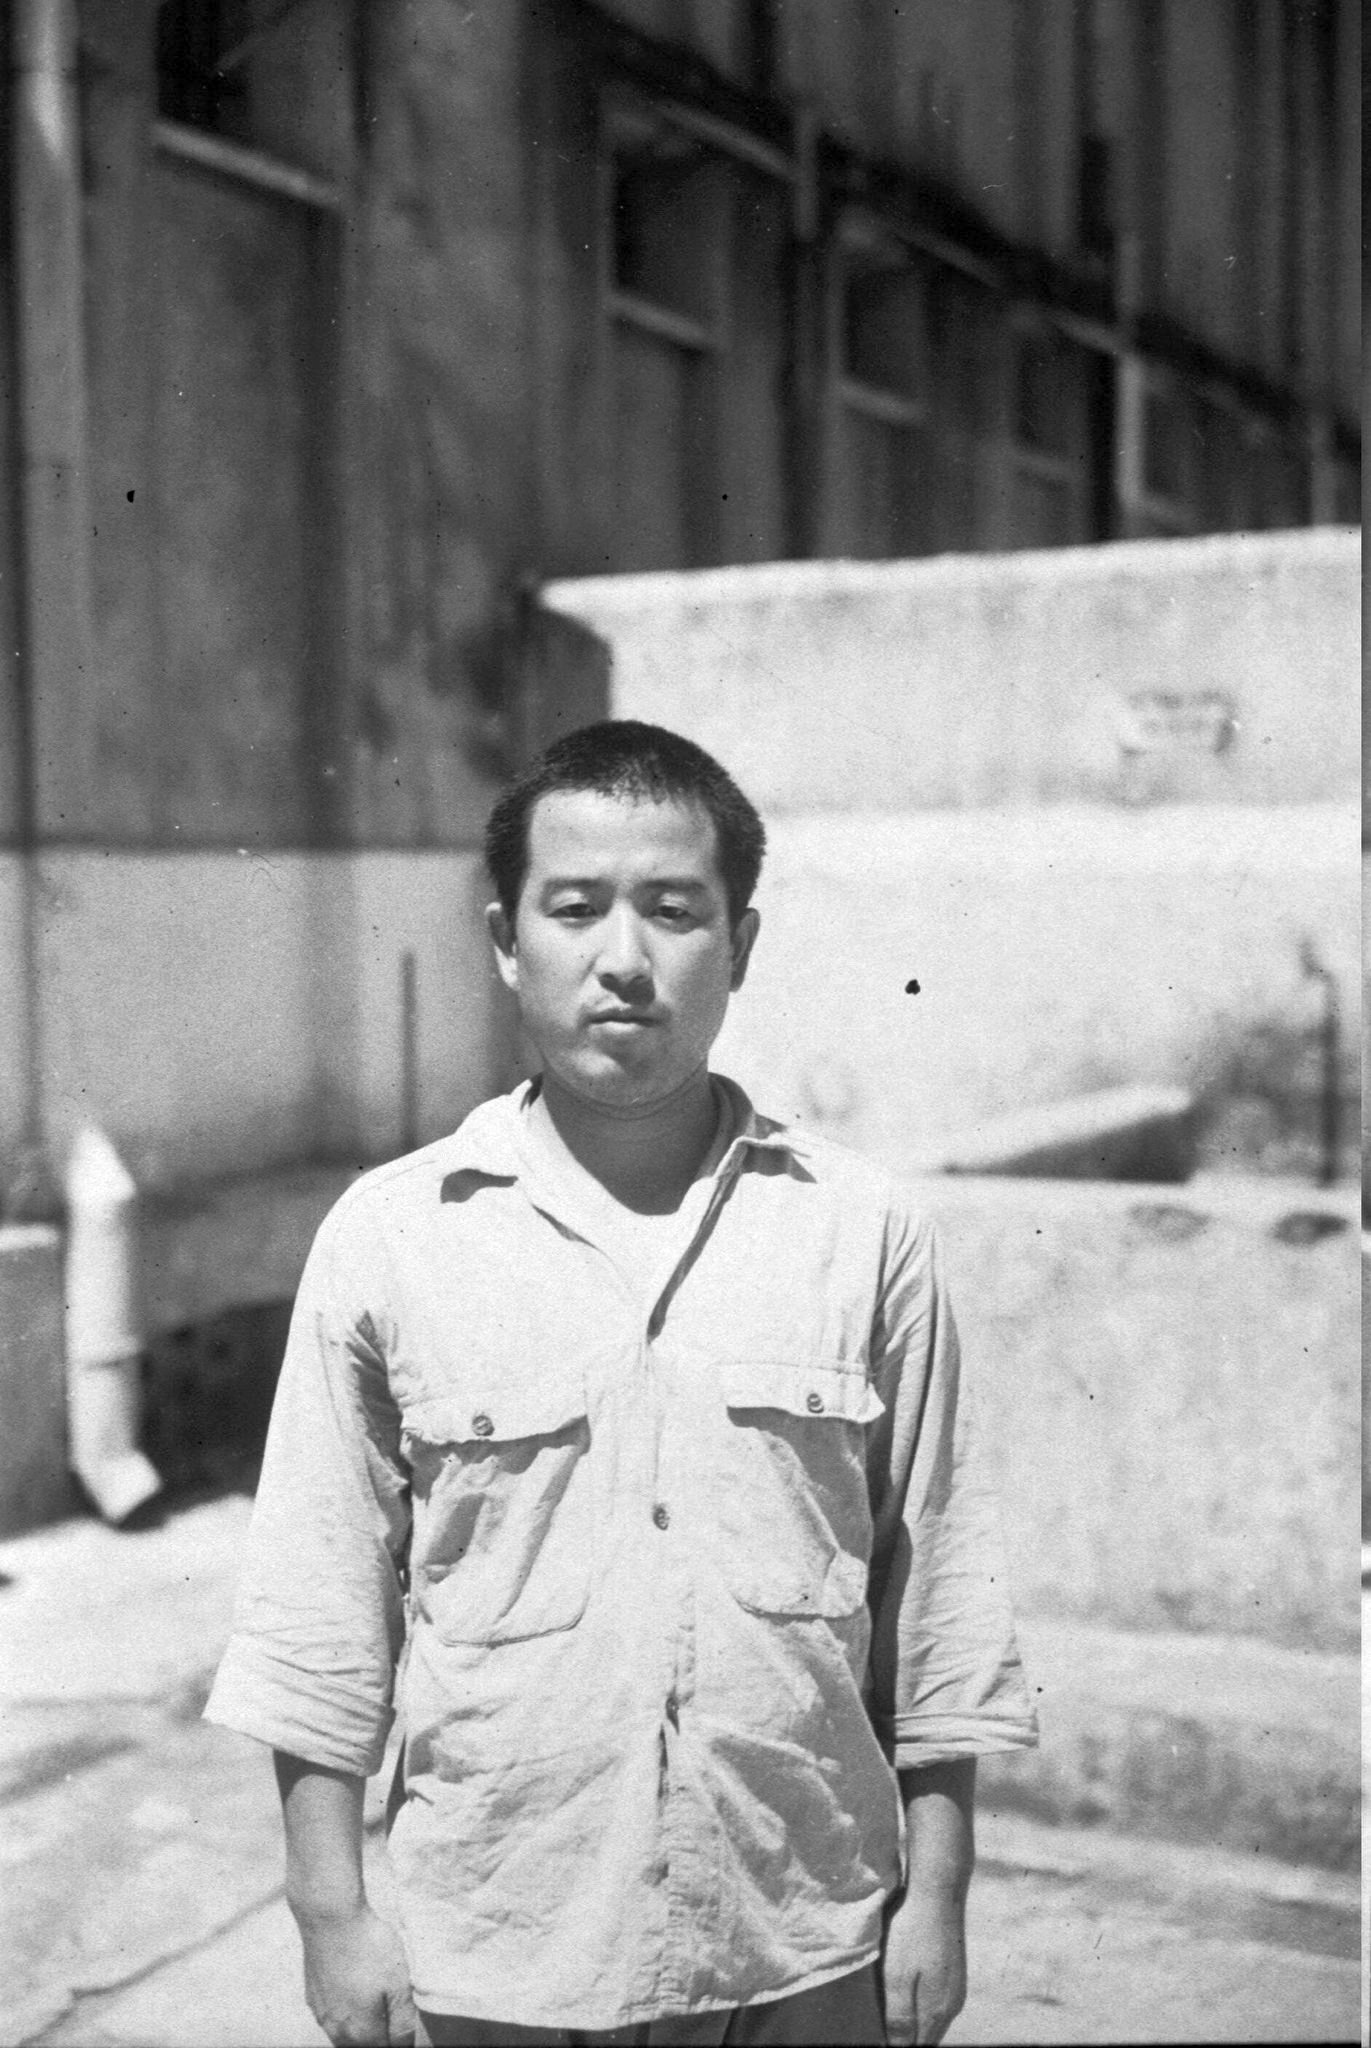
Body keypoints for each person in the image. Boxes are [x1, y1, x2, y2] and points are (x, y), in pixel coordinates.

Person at [206, 719, 1037, 2048]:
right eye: (577, 907)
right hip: (497, 1955)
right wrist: (329, 1908)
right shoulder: (393, 1237)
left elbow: (936, 1597)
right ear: (505, 939)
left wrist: (937, 1894)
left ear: (741, 945)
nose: (625, 959)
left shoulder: (864, 1231)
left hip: (802, 1938)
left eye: (674, 910)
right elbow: (316, 1604)